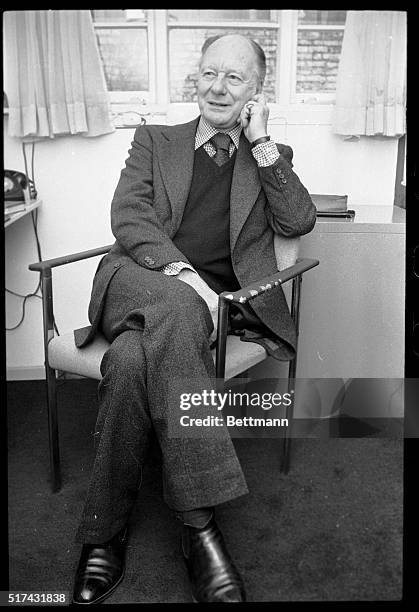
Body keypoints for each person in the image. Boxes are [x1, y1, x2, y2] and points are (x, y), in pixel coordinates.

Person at [72, 33, 316, 604]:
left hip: (210, 313)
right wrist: (184, 277)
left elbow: (299, 219)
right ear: (196, 78)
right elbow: (128, 216)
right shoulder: (155, 140)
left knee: (131, 362)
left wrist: (259, 141)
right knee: (181, 307)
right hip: (136, 281)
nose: (217, 86)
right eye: (209, 73)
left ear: (257, 91)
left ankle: (104, 531)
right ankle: (200, 525)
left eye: (235, 78)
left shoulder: (267, 157)